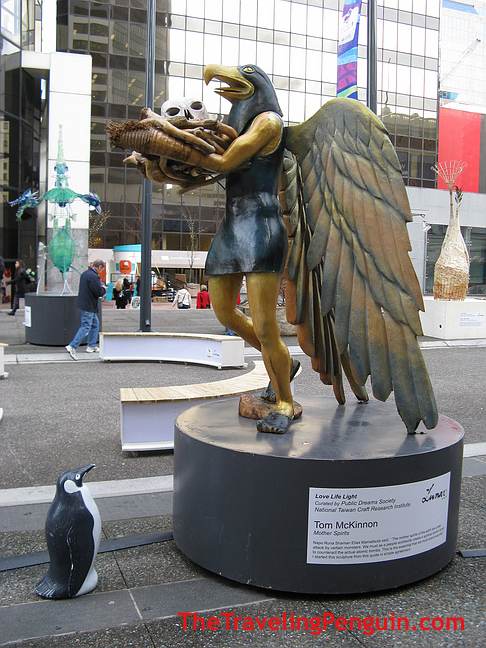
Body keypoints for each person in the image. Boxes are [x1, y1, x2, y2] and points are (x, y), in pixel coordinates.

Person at [65, 260, 106, 360]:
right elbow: (98, 291)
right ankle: (72, 346)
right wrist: (104, 289)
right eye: (102, 269)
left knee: (95, 324)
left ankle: (91, 346)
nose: (101, 271)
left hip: (83, 304)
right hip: (89, 305)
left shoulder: (85, 274)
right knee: (86, 326)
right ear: (99, 267)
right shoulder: (94, 277)